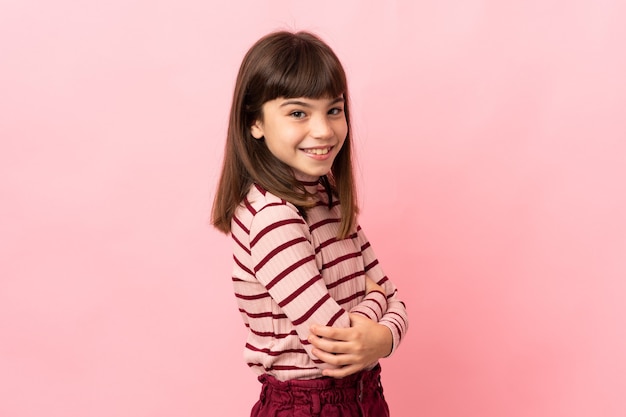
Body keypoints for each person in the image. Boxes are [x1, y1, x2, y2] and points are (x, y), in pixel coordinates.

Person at [211, 30, 409, 417]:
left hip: (361, 397)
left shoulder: (326, 197)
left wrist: (382, 337)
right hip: (309, 405)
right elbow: (335, 346)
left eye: (333, 110)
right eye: (299, 113)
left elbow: (395, 296)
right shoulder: (274, 218)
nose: (323, 130)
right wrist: (377, 306)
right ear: (255, 123)